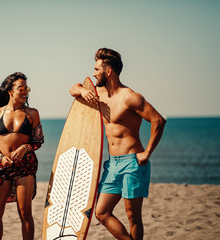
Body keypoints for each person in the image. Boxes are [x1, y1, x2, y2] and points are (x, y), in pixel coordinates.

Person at [69, 48, 166, 240]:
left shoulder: (130, 97)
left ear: (109, 71)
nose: (94, 73)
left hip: (133, 163)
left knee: (133, 217)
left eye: (97, 69)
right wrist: (81, 90)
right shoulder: (98, 94)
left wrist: (147, 153)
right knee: (101, 212)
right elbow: (73, 88)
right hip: (112, 164)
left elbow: (158, 121)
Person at [0, 72, 44, 240]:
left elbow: (38, 140)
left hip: (25, 167)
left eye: (27, 88)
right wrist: (1, 157)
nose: (25, 91)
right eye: (21, 88)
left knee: (25, 213)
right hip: (2, 166)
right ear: (10, 91)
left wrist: (25, 147)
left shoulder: (32, 113)